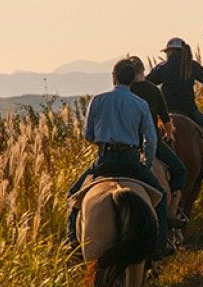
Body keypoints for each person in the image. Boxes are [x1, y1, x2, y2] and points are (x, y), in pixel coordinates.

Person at [67, 59, 175, 257]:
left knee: (73, 194)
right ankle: (161, 244)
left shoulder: (98, 100)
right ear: (132, 79)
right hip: (131, 160)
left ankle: (72, 241)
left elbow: (88, 136)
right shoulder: (140, 104)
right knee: (160, 195)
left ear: (114, 77)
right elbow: (150, 139)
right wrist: (147, 163)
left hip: (104, 161)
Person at [147, 37, 203, 184]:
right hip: (189, 110)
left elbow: (148, 82)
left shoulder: (162, 67)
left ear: (171, 51)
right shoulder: (190, 65)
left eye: (167, 52)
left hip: (166, 111)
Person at [126, 55, 189, 225]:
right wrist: (169, 134)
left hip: (127, 145)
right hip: (152, 143)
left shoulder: (125, 91)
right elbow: (165, 119)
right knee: (180, 170)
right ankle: (172, 211)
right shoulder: (153, 90)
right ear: (143, 70)